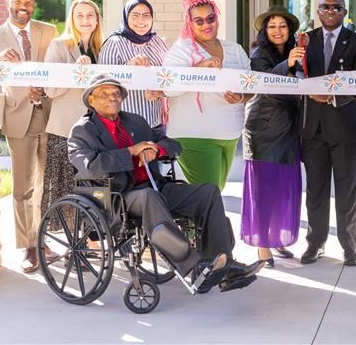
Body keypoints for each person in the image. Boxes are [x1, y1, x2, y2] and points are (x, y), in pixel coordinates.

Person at [68, 74, 264, 293]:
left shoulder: (135, 121)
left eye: (115, 93)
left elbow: (172, 144)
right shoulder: (82, 131)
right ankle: (194, 267)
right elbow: (90, 165)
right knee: (148, 197)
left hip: (155, 187)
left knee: (208, 192)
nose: (112, 98)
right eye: (104, 94)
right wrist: (130, 152)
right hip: (119, 197)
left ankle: (224, 267)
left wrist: (156, 149)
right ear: (91, 100)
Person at [0, 0, 57, 273]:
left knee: (44, 186)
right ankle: (29, 246)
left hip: (48, 114)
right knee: (23, 187)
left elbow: (57, 67)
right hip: (18, 117)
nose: (23, 6)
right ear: (7, 1)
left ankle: (44, 239)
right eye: (18, 1)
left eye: (29, 2)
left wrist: (44, 89)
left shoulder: (47, 31)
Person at [299, 0, 356, 267]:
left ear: (344, 11)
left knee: (347, 189)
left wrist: (331, 97)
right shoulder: (304, 40)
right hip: (312, 128)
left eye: (336, 7)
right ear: (317, 11)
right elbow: (297, 77)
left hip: (345, 126)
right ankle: (315, 244)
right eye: (325, 7)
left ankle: (349, 247)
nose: (330, 11)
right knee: (315, 190)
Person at [164, 0, 251, 189]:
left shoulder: (234, 49)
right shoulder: (182, 49)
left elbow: (250, 84)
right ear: (190, 23)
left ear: (217, 18)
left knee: (215, 193)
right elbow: (169, 87)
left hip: (230, 134)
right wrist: (199, 67)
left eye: (210, 18)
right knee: (206, 196)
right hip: (196, 134)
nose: (206, 24)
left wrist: (240, 97)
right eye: (199, 21)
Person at [241, 8, 304, 267]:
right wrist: (287, 64)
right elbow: (263, 81)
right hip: (263, 130)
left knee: (283, 190)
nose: (278, 30)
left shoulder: (296, 52)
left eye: (283, 26)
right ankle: (263, 245)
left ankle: (277, 238)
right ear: (264, 31)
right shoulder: (259, 54)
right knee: (263, 191)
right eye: (272, 26)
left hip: (289, 129)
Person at [41, 0, 104, 233]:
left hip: (97, 132)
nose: (86, 20)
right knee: (66, 190)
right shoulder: (59, 46)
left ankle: (90, 240)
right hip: (65, 130)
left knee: (92, 190)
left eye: (90, 15)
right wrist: (74, 71)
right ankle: (70, 246)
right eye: (80, 15)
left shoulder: (102, 48)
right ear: (72, 19)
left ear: (97, 20)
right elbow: (50, 90)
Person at [98, 0, 167, 129]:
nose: (141, 20)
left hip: (157, 123)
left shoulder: (158, 42)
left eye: (146, 15)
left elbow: (169, 78)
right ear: (126, 17)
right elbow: (102, 83)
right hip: (124, 125)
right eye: (135, 15)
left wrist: (160, 92)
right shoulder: (114, 43)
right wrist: (128, 67)